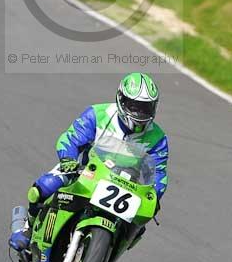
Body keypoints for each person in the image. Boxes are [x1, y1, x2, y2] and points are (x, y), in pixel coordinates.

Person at [9, 72, 168, 251]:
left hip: (127, 187)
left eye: (146, 108)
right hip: (85, 172)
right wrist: (68, 159)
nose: (140, 113)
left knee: (138, 227)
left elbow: (159, 172)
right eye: (135, 106)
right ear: (121, 100)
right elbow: (70, 138)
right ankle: (27, 227)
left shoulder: (158, 138)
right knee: (45, 186)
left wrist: (154, 195)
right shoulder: (97, 114)